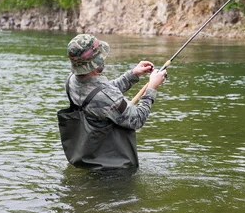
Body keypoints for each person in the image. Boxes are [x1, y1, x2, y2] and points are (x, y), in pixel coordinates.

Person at [58, 33, 167, 170]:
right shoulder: (105, 96)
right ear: (95, 62)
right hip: (113, 169)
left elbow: (102, 93)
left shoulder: (71, 80)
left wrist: (132, 74)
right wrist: (151, 88)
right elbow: (137, 119)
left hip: (88, 159)